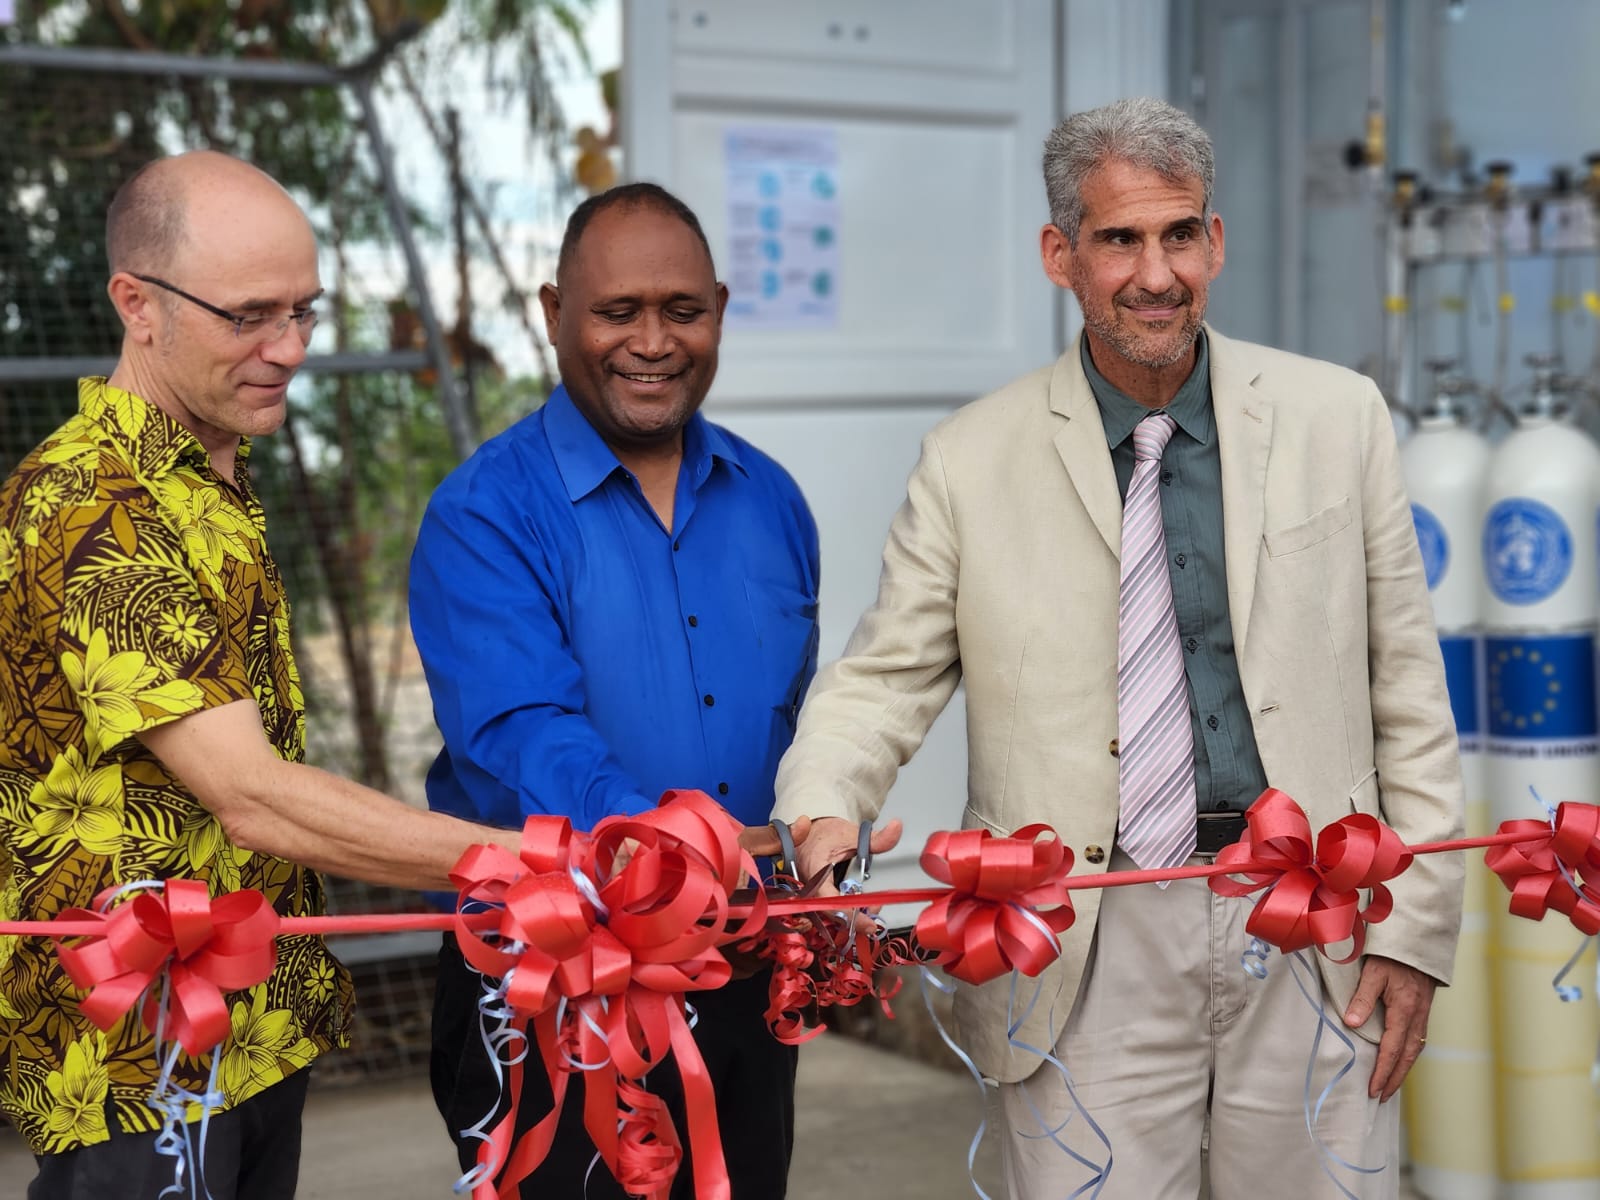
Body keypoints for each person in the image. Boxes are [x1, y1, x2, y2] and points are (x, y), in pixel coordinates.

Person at [772, 98, 1465, 1199]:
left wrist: (1412, 931)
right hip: (1079, 943)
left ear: (1215, 242)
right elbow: (881, 681)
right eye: (1119, 240)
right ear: (1060, 255)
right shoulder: (969, 460)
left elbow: (1409, 690)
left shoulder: (1339, 418)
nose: (1157, 274)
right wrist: (823, 807)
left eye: (1179, 234)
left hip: (1318, 924)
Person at [0, 150, 553, 1200]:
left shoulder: (205, 466)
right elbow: (250, 795)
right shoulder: (95, 505)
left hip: (251, 1020)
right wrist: (534, 864)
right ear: (137, 304)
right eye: (250, 316)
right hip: (138, 1052)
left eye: (304, 310)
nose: (290, 348)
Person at [409, 182, 888, 1197]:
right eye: (617, 312)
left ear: (719, 310)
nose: (653, 342)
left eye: (682, 311)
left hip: (746, 970)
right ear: (553, 314)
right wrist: (691, 860)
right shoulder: (482, 515)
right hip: (550, 983)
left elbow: (793, 726)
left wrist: (817, 825)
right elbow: (527, 736)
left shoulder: (771, 501)